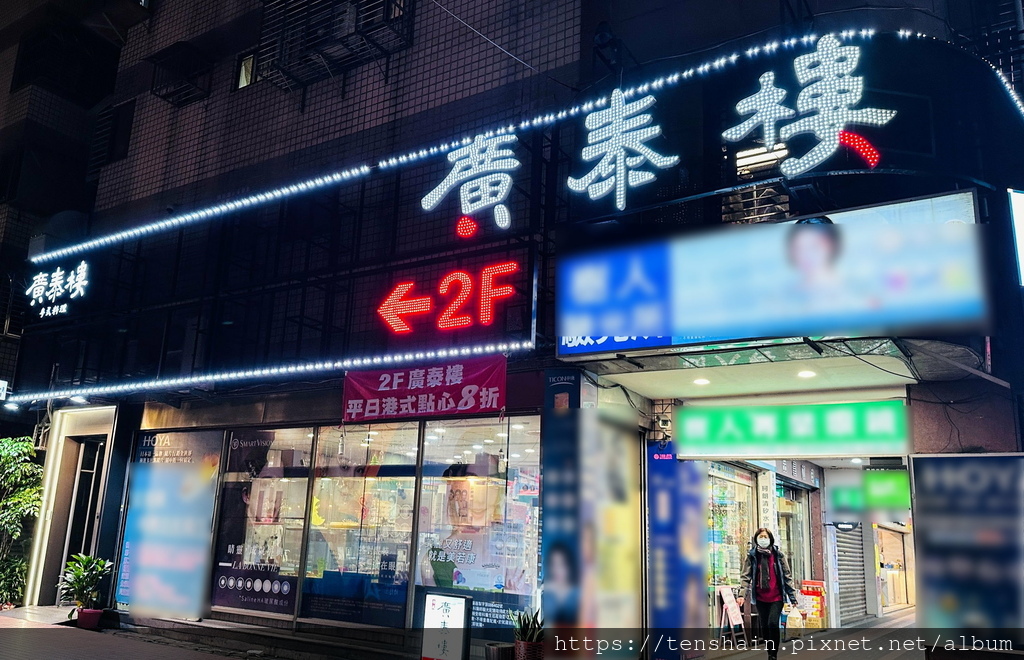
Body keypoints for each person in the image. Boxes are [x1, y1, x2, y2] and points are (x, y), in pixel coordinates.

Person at [736, 528, 798, 660]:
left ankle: (773, 654)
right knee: (764, 626)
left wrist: (792, 597)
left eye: (765, 537)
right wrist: (741, 595)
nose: (763, 539)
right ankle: (769, 651)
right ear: (756, 539)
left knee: (773, 624)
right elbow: (746, 576)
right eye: (760, 537)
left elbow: (787, 577)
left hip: (776, 597)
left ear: (770, 539)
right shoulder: (752, 556)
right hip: (760, 598)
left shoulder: (778, 555)